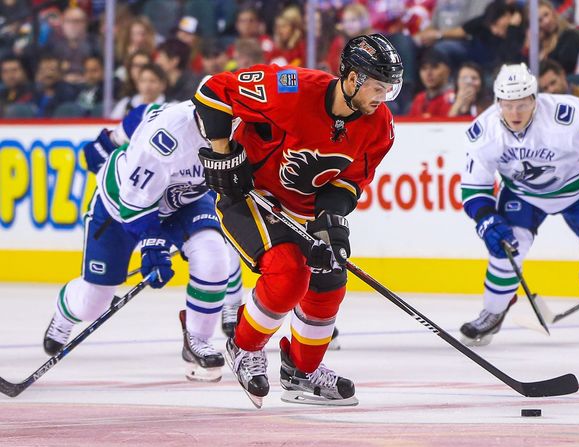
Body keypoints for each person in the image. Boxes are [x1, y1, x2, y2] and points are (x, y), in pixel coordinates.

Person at [192, 34, 403, 406]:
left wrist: (330, 221)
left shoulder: (379, 126)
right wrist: (224, 153)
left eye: (389, 89)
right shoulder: (289, 88)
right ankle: (243, 347)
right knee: (289, 273)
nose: (382, 97)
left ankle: (300, 371)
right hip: (251, 195)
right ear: (352, 79)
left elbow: (348, 182)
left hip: (301, 209)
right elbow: (213, 91)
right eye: (378, 87)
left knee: (329, 280)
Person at [42, 101, 243, 383]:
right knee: (93, 302)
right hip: (121, 205)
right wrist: (153, 246)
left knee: (213, 257)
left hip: (184, 200)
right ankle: (65, 313)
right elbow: (135, 204)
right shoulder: (165, 138)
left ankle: (196, 340)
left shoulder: (242, 122)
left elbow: (141, 114)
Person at [460, 63, 579, 346]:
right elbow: (474, 188)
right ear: (497, 102)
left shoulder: (567, 116)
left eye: (522, 104)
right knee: (505, 253)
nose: (515, 113)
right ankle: (493, 312)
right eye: (508, 105)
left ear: (534, 100)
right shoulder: (484, 132)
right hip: (522, 196)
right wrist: (486, 219)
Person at [408, 48, 454, 117]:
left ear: (447, 70)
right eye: (424, 68)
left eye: (434, 67)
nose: (428, 73)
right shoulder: (419, 99)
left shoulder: (454, 98)